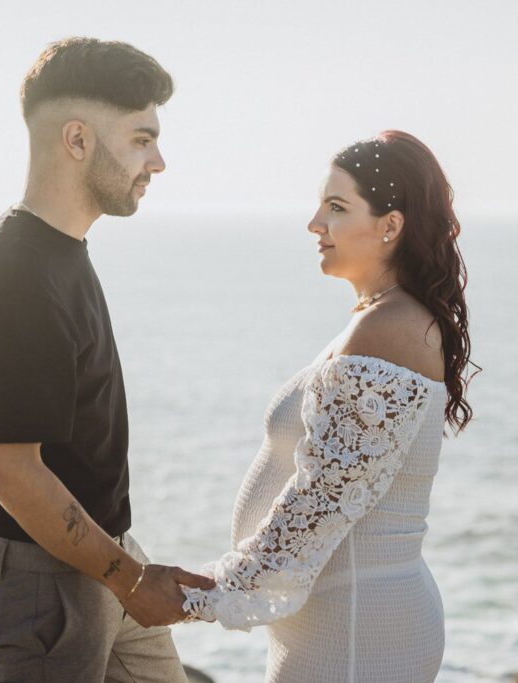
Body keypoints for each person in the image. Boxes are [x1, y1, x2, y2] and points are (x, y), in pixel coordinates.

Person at [0, 37, 214, 683]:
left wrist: (123, 565)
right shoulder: (13, 278)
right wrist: (128, 577)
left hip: (101, 558)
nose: (159, 161)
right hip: (47, 581)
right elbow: (9, 472)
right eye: (142, 138)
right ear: (77, 140)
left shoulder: (62, 253)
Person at [180, 130, 475, 682]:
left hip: (357, 634)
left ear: (391, 225)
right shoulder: (379, 319)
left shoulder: (387, 328)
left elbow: (320, 502)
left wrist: (199, 598)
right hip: (343, 623)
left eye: (336, 208)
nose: (315, 224)